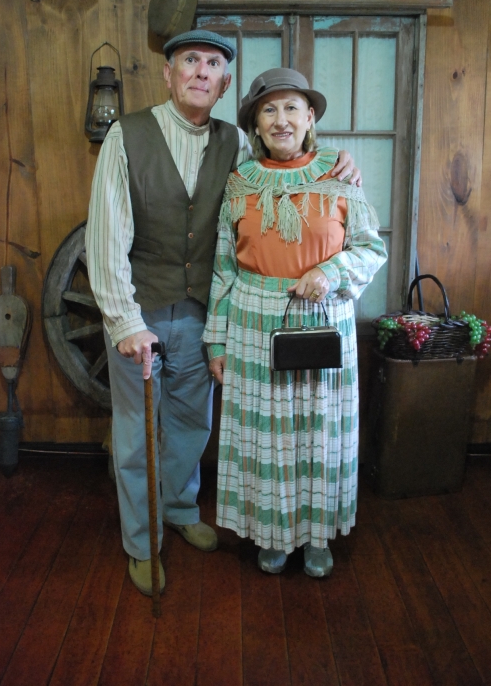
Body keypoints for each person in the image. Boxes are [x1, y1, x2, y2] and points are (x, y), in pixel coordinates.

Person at [86, 31, 361, 597]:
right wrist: (124, 320)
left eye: (213, 64)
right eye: (189, 61)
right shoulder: (126, 136)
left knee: (193, 423)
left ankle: (180, 510)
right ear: (168, 73)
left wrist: (341, 161)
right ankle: (142, 543)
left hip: (200, 311)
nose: (201, 72)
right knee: (135, 434)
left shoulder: (236, 145)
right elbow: (106, 235)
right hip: (140, 311)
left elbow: (286, 170)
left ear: (225, 82)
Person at [203, 67, 387, 578]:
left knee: (318, 434)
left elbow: (371, 248)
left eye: (291, 108)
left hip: (322, 319)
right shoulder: (240, 182)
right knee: (267, 438)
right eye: (269, 110)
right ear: (255, 124)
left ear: (309, 118)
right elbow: (223, 267)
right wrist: (216, 341)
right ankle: (272, 535)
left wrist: (330, 272)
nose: (281, 120)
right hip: (252, 323)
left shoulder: (339, 174)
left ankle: (318, 537)